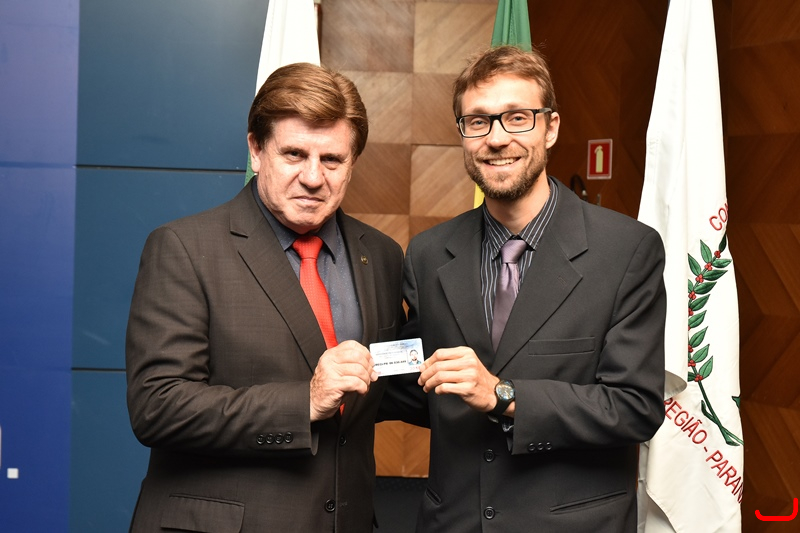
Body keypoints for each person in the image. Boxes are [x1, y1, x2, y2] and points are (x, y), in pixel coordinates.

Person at [391, 45, 667, 532]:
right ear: (462, 133)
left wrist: (504, 395)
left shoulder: (626, 251)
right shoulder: (428, 253)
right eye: (478, 121)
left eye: (517, 118)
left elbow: (635, 407)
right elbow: (423, 388)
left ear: (551, 127)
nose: (497, 139)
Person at [125, 62, 405, 532]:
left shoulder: (380, 255)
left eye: (332, 160)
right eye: (294, 154)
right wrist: (305, 402)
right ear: (256, 150)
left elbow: (386, 384)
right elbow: (158, 407)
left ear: (352, 163)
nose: (313, 177)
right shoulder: (184, 248)